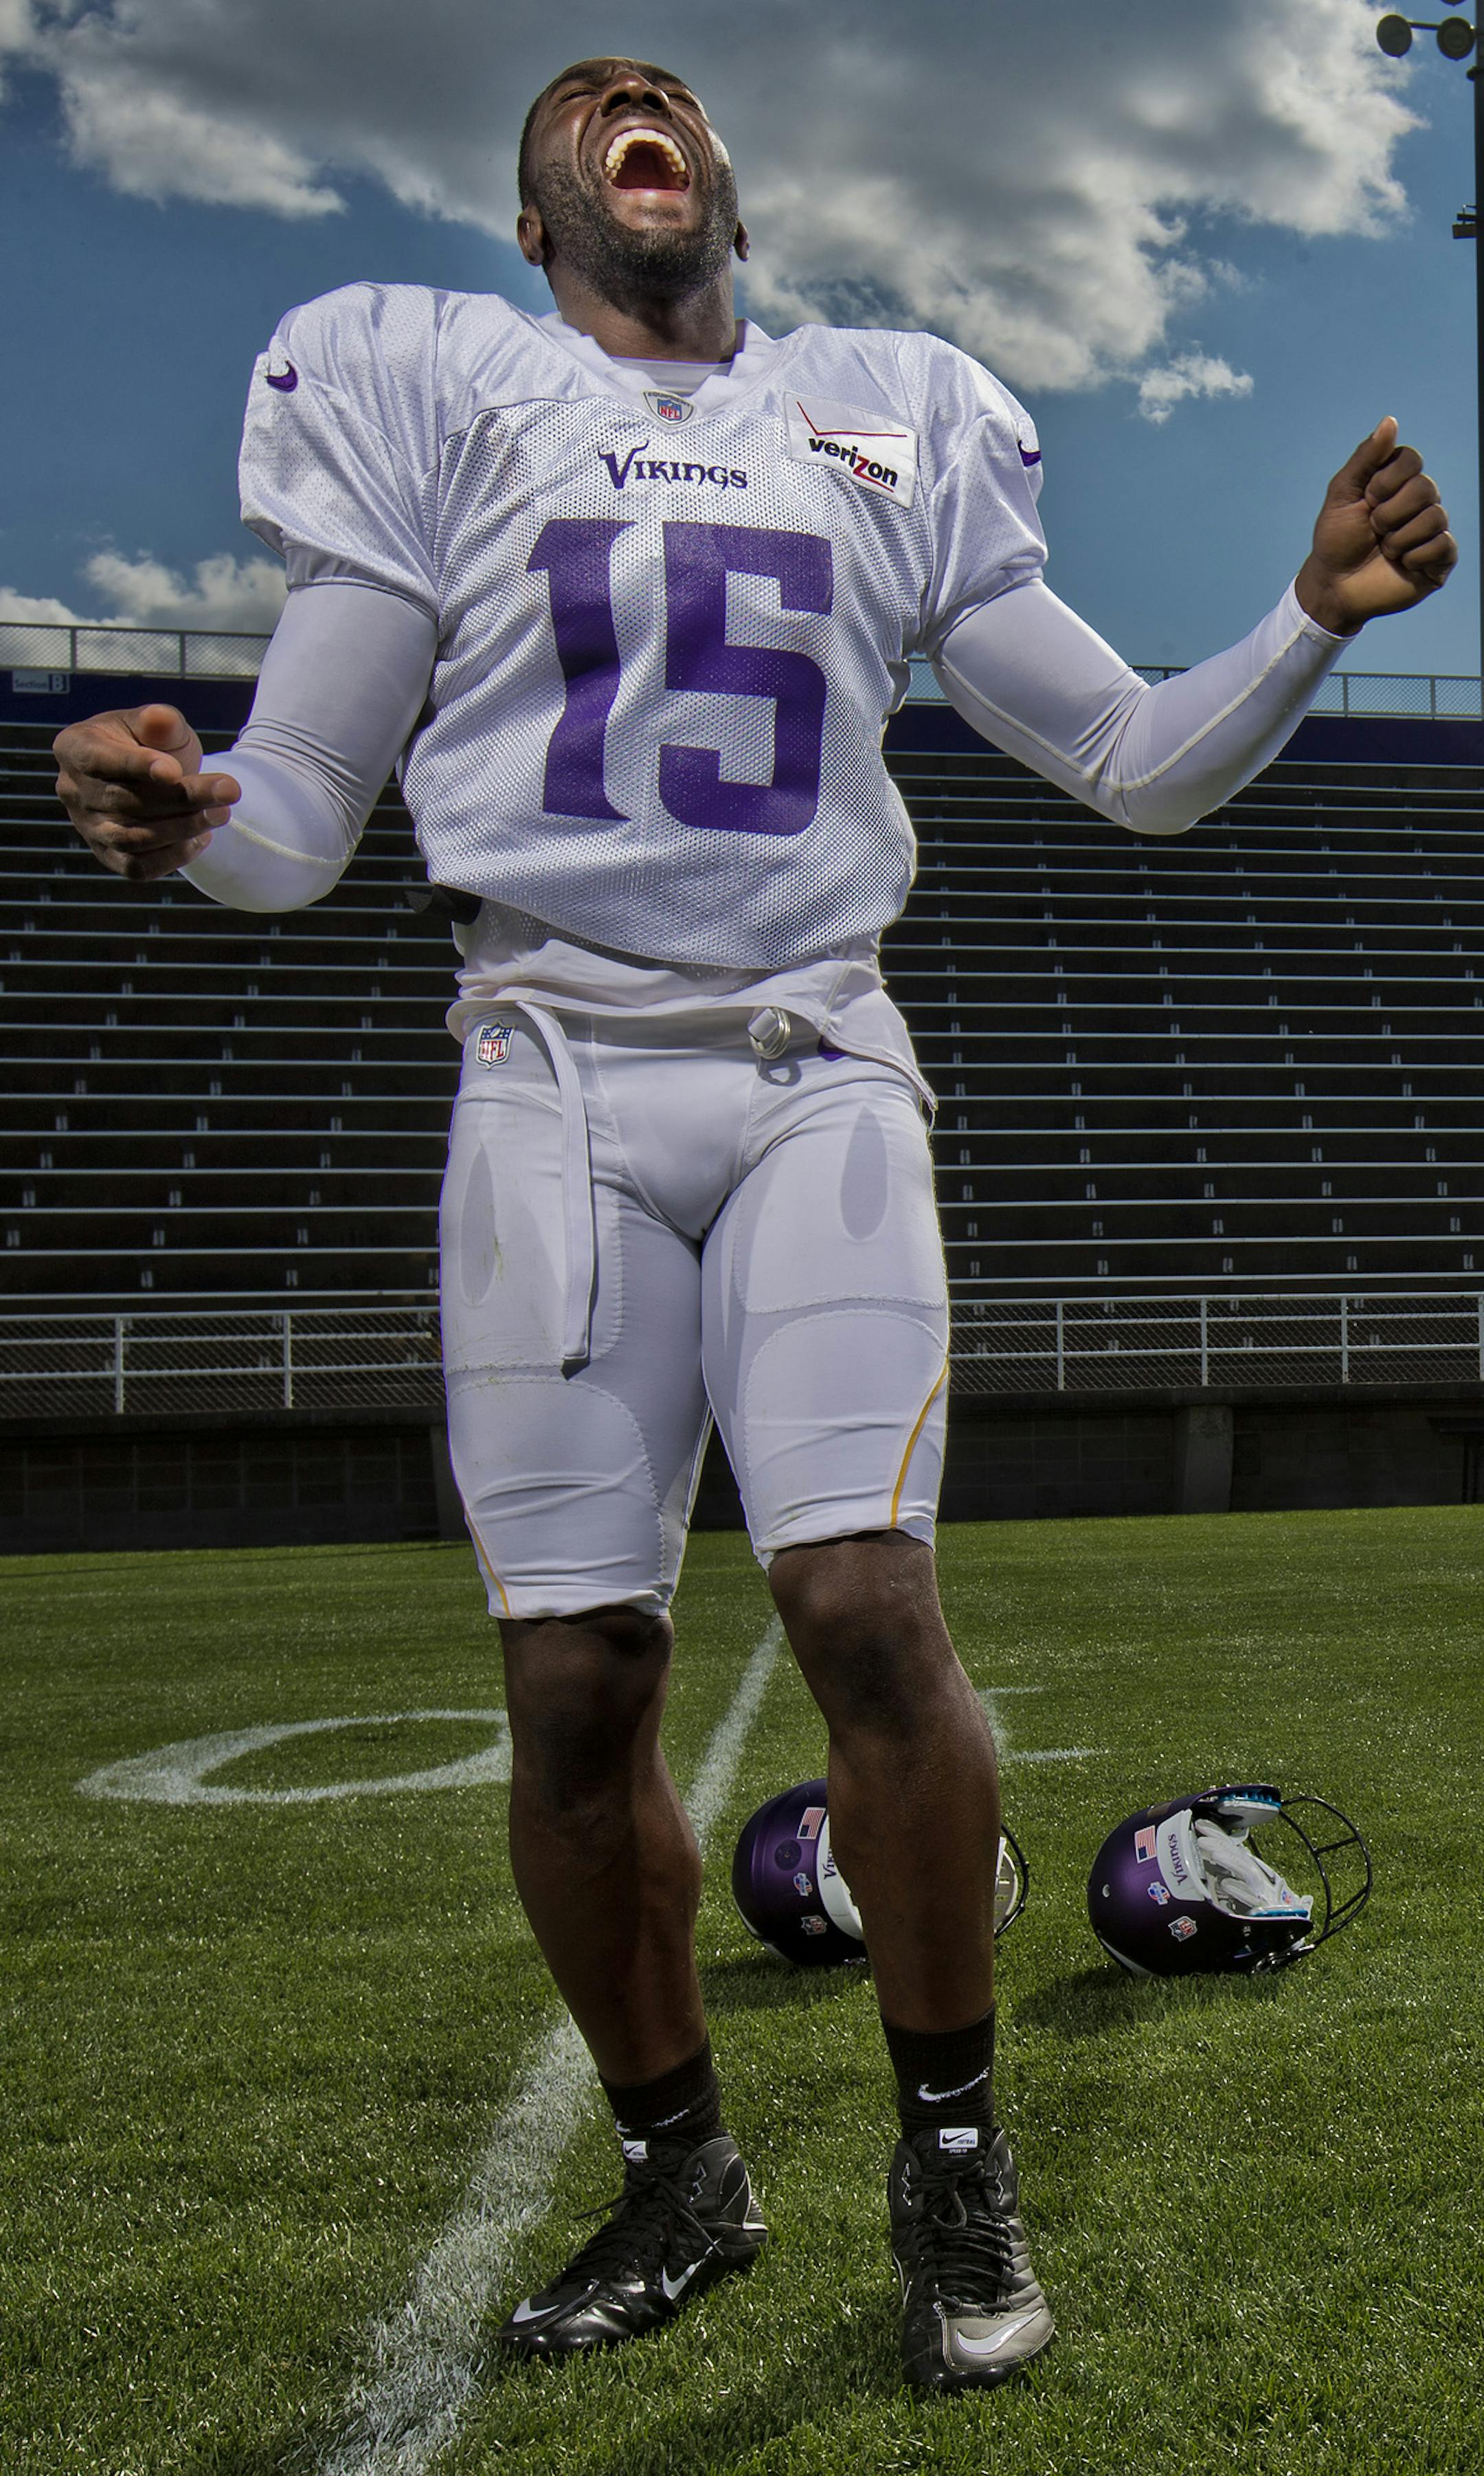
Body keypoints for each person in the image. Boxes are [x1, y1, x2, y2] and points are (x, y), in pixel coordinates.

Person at [54, 56, 1454, 2395]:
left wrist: (1307, 618)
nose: (629, 95)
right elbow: (297, 815)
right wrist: (182, 811)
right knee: (573, 1686)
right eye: (580, 100)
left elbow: (1129, 762)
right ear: (537, 221)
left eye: (667, 89)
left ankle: (949, 2154)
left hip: (814, 1063)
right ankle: (683, 2163)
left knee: (859, 1602)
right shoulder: (444, 399)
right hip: (547, 1081)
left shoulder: (879, 418)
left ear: (720, 185)